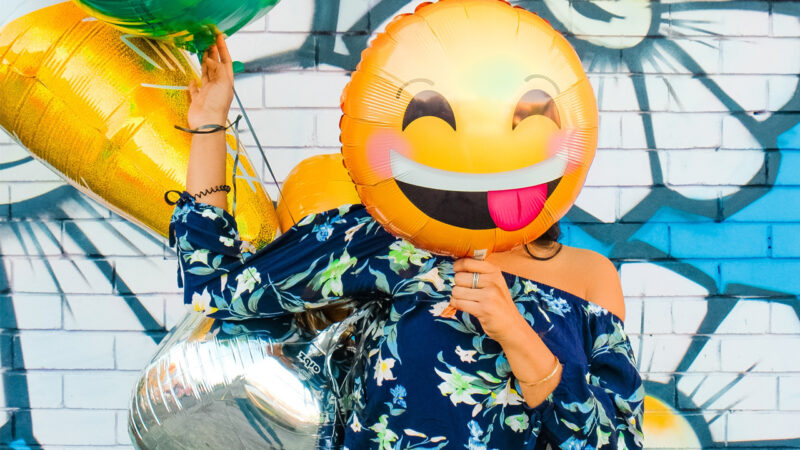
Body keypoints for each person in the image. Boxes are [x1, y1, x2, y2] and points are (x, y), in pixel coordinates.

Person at [171, 34, 643, 449]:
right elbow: (220, 288)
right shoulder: (390, 240)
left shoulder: (589, 278)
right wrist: (210, 123)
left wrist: (516, 334)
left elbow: (616, 443)